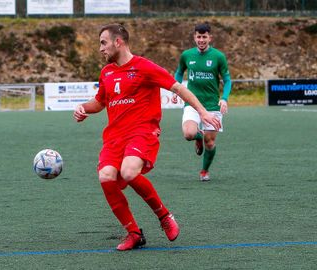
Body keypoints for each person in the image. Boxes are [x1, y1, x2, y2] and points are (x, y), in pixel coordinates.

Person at [73, 24, 221, 251]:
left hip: (142, 131)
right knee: (106, 176)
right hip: (114, 136)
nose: (100, 48)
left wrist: (202, 112)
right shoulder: (107, 73)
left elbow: (178, 88)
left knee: (129, 171)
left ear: (118, 42)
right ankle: (133, 233)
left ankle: (163, 216)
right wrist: (83, 108)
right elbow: (100, 103)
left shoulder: (144, 67)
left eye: (103, 42)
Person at [172, 23, 232, 181]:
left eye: (204, 37)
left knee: (210, 143)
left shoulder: (218, 57)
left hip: (212, 105)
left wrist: (224, 99)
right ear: (194, 37)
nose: (201, 40)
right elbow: (179, 72)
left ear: (210, 38)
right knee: (189, 133)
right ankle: (198, 136)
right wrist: (176, 89)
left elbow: (227, 80)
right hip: (192, 103)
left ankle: (205, 170)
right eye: (198, 37)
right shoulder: (186, 55)